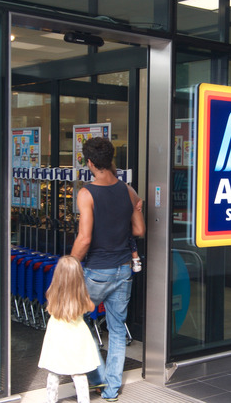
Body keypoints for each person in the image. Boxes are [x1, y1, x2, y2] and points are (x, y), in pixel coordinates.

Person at [70, 137, 145, 402]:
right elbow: (139, 230)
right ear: (110, 160)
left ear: (89, 162)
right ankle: (111, 389)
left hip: (97, 272)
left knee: (74, 320)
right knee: (116, 329)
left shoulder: (86, 193)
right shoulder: (127, 190)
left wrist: (69, 263)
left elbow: (84, 238)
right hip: (124, 270)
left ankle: (97, 377)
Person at [38, 256, 101, 403]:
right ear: (79, 276)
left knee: (54, 372)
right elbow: (91, 307)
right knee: (79, 373)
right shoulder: (82, 297)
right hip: (77, 335)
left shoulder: (52, 293)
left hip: (56, 335)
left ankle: (51, 399)